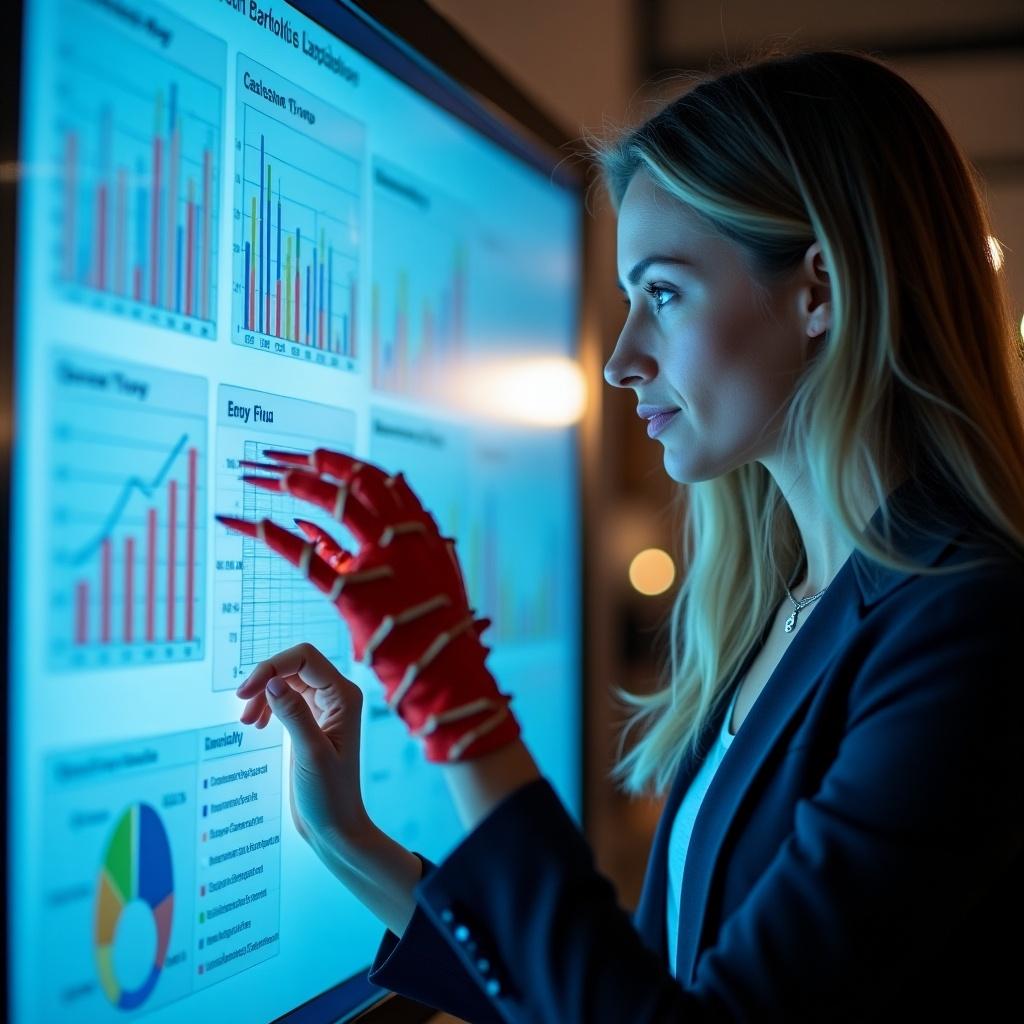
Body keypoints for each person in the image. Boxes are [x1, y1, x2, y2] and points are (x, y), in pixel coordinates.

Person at [216, 47, 1024, 1022]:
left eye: (664, 293)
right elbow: (625, 990)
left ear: (818, 288)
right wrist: (346, 835)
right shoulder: (789, 608)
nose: (622, 358)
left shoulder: (972, 626)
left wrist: (454, 696)